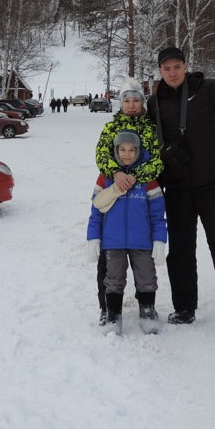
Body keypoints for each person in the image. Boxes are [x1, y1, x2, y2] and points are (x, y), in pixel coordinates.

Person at [147, 46, 215, 332]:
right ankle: (184, 308)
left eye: (177, 67)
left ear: (185, 66)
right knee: (181, 250)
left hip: (213, 181)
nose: (172, 73)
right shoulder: (154, 102)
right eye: (166, 68)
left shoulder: (206, 90)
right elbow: (142, 143)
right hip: (178, 187)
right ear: (160, 72)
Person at [92, 77, 163, 325]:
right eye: (127, 101)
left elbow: (156, 159)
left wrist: (134, 177)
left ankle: (147, 307)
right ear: (120, 104)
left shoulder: (149, 128)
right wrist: (116, 173)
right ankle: (108, 309)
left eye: (136, 100)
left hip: (141, 191)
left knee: (142, 258)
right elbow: (101, 154)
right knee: (110, 259)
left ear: (142, 103)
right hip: (114, 191)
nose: (131, 105)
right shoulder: (111, 128)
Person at [87, 130, 167, 334]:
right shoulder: (105, 177)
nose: (127, 154)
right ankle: (113, 316)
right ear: (115, 150)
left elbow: (158, 214)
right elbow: (96, 211)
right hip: (112, 241)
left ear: (138, 151)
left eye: (132, 150)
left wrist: (159, 240)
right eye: (122, 149)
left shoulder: (148, 178)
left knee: (147, 277)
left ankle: (148, 311)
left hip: (142, 241)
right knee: (113, 280)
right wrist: (93, 237)